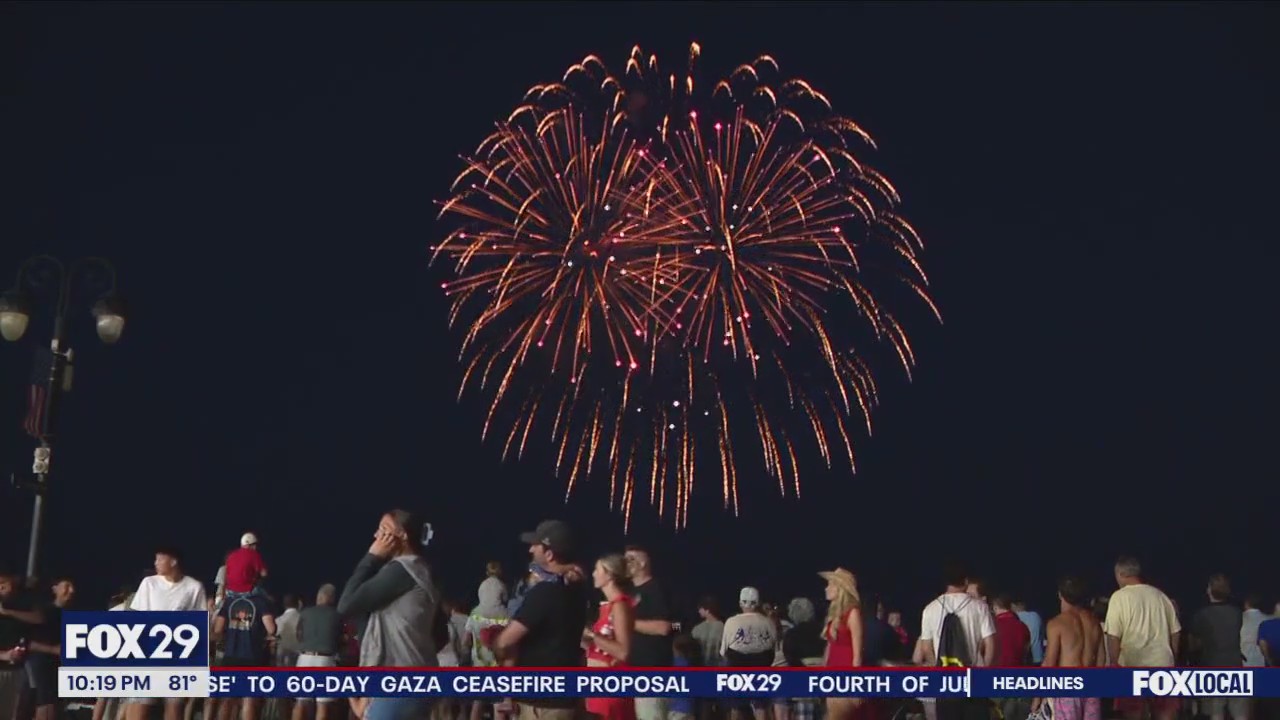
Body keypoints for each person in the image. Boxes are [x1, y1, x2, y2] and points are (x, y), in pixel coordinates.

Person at [337, 510, 442, 720]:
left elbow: (346, 605)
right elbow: (441, 634)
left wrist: (371, 557)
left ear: (402, 535)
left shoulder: (402, 569)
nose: (377, 536)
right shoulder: (423, 571)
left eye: (384, 530)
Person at [495, 520, 588, 720]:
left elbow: (506, 640)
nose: (530, 549)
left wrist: (497, 646)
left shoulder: (545, 593)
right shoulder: (577, 592)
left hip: (541, 704)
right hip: (565, 699)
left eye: (536, 545)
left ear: (549, 554)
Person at [127, 547, 207, 720]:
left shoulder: (193, 587)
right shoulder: (149, 583)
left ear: (173, 561)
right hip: (148, 655)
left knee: (174, 708)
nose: (155, 563)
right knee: (140, 708)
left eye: (160, 559)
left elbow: (199, 625)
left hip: (178, 658)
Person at [1103, 556, 1180, 720]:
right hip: (1163, 665)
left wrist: (1114, 664)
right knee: (1165, 714)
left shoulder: (1119, 597)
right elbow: (1175, 632)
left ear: (1120, 574)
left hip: (1132, 666)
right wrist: (1172, 655)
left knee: (1134, 714)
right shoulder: (1161, 596)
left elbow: (1113, 636)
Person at [1032, 577, 1101, 720]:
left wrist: (1037, 696)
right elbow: (1101, 660)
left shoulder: (1057, 624)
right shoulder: (1095, 623)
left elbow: (1050, 664)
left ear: (1060, 595)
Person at [583, 554, 635, 720]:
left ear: (609, 575)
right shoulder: (607, 607)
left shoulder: (620, 606)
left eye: (597, 570)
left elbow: (623, 652)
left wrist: (592, 634)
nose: (593, 574)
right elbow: (600, 647)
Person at [623, 546, 673, 720]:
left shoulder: (655, 590)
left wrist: (627, 623)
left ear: (643, 563)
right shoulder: (629, 592)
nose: (625, 563)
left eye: (630, 559)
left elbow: (664, 627)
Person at [214, 585, 277, 720]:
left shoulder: (229, 601)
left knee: (227, 699)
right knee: (249, 699)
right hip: (252, 655)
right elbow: (271, 628)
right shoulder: (261, 602)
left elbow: (218, 629)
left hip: (230, 654)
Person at [1190, 574, 1247, 720]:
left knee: (1216, 712)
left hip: (1212, 666)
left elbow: (1194, 644)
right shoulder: (1237, 613)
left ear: (1209, 590)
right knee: (1240, 712)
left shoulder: (1202, 615)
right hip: (1236, 665)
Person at [721, 587, 777, 720]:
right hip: (761, 669)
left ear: (740, 603)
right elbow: (774, 647)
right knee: (761, 707)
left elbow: (723, 651)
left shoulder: (731, 622)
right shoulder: (768, 622)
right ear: (758, 603)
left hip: (737, 668)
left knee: (736, 707)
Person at [820, 569, 867, 720]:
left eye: (830, 585)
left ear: (840, 588)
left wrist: (856, 686)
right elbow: (830, 647)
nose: (826, 588)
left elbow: (858, 653)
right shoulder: (834, 615)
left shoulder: (852, 613)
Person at [25, 578, 74, 720]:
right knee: (46, 703)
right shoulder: (44, 612)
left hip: (58, 667)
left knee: (55, 703)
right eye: (66, 586)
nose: (71, 591)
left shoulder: (69, 615)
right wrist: (54, 650)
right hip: (41, 664)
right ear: (55, 589)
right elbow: (28, 642)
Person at [292, 584, 342, 720]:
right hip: (326, 659)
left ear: (318, 597)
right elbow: (340, 640)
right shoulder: (337, 615)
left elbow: (299, 635)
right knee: (322, 704)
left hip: (304, 658)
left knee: (301, 702)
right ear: (332, 598)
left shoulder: (305, 613)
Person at [224, 533, 269, 600]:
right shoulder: (254, 554)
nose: (255, 547)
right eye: (253, 545)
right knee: (267, 599)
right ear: (248, 545)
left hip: (230, 592)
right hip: (248, 591)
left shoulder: (231, 555)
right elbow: (264, 574)